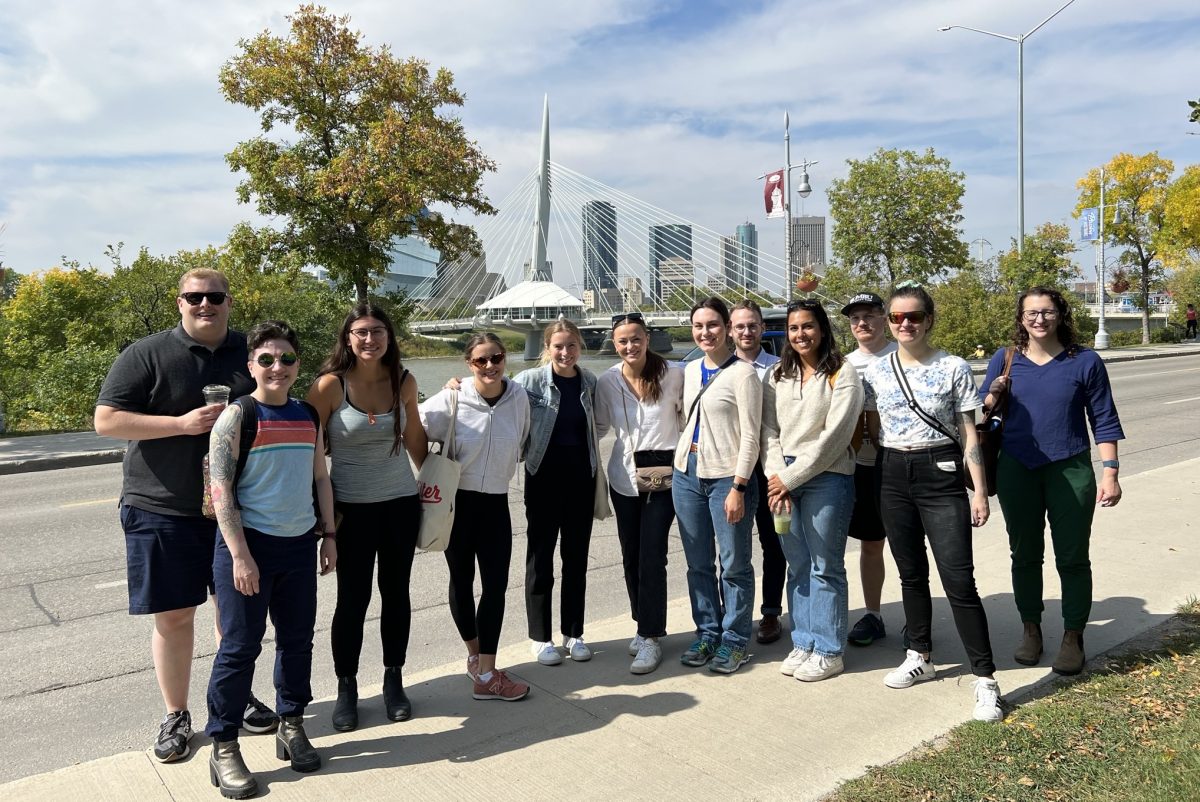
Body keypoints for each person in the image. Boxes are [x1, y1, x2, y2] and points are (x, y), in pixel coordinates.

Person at [94, 267, 277, 764]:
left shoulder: (252, 352)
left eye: (214, 296)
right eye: (194, 297)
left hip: (235, 512)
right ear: (180, 302)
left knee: (234, 618)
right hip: (161, 507)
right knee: (175, 618)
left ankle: (232, 700)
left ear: (229, 301)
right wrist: (180, 424)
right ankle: (176, 713)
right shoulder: (147, 353)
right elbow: (106, 420)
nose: (205, 304)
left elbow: (289, 393)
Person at [205, 320, 337, 798]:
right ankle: (224, 746)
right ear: (251, 366)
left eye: (285, 359)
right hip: (249, 547)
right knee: (240, 647)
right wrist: (239, 556)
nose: (276, 367)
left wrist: (329, 533)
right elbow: (220, 492)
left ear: (297, 365)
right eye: (266, 359)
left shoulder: (307, 414)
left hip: (300, 544)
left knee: (298, 641)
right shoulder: (237, 416)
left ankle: (292, 723)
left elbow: (320, 477)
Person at [862, 283, 1004, 722]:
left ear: (929, 320)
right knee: (910, 574)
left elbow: (969, 433)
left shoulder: (954, 367)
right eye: (898, 317)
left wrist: (978, 491)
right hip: (891, 472)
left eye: (915, 317)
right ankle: (919, 653)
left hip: (940, 473)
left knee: (958, 580)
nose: (906, 324)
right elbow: (870, 426)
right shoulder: (877, 371)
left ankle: (985, 679)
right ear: (889, 322)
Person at [982, 287, 1124, 676]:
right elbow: (981, 414)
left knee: (1073, 557)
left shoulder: (1085, 361)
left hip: (1070, 468)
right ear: (1021, 317)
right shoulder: (1005, 359)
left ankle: (1073, 636)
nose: (1039, 319)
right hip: (1016, 468)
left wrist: (1109, 471)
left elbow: (1104, 419)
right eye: (1031, 313)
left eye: (1046, 312)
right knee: (1024, 554)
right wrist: (991, 397)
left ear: (1061, 315)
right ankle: (1031, 629)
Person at [307, 303, 427, 731]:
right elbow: (309, 454)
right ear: (347, 338)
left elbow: (417, 443)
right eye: (360, 332)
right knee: (352, 602)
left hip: (399, 506)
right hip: (350, 512)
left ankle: (394, 680)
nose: (370, 339)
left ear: (389, 337)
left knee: (396, 596)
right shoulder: (329, 387)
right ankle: (347, 687)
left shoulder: (404, 381)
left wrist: (442, 492)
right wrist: (322, 523)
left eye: (378, 331)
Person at [420, 334, 531, 701]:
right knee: (461, 580)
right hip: (458, 502)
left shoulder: (518, 398)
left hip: (497, 502)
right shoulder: (452, 398)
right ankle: (476, 658)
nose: (489, 366)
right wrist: (425, 466)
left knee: (496, 586)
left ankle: (486, 671)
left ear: (505, 359)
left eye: (496, 358)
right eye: (480, 360)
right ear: (469, 364)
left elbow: (523, 442)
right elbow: (414, 425)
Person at [761, 299, 862, 682]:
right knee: (798, 563)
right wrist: (777, 477)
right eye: (793, 328)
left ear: (821, 328)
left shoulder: (842, 373)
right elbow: (767, 431)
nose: (800, 334)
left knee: (825, 567)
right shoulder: (777, 375)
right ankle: (803, 640)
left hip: (827, 479)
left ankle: (830, 649)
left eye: (807, 326)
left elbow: (834, 439)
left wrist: (790, 478)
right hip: (783, 482)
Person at [673, 297, 762, 674]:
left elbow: (751, 437)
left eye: (712, 325)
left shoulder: (744, 374)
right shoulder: (690, 370)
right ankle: (707, 631)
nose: (705, 332)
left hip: (728, 475)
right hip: (686, 472)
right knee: (698, 563)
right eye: (698, 326)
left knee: (734, 564)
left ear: (726, 327)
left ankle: (735, 639)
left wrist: (739, 486)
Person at [594, 313, 685, 674]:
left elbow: (691, 413)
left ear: (647, 338)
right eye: (622, 341)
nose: (630, 346)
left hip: (665, 478)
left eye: (636, 338)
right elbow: (598, 425)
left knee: (652, 554)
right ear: (614, 345)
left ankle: (651, 635)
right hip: (625, 478)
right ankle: (641, 622)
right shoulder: (607, 381)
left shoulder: (674, 374)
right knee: (631, 555)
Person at [513, 321, 601, 666]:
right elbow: (491, 393)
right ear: (546, 348)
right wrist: (456, 385)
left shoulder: (589, 381)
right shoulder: (528, 382)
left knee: (576, 559)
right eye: (558, 347)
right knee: (540, 560)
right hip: (543, 477)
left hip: (581, 478)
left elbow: (600, 423)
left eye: (572, 346)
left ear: (580, 347)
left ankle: (574, 633)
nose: (565, 353)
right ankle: (540, 637)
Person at [839, 293, 897, 647]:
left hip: (897, 461)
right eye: (855, 318)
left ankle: (918, 617)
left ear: (884, 318)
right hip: (858, 465)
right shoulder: (843, 364)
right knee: (871, 543)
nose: (862, 323)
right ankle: (873, 614)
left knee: (909, 544)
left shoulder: (901, 355)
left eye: (870, 316)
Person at [729, 299, 785, 645]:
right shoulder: (719, 368)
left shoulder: (780, 368)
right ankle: (733, 615)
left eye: (752, 325)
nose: (746, 331)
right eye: (740, 326)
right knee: (732, 549)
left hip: (769, 471)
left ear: (762, 328)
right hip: (730, 470)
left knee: (774, 543)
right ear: (730, 330)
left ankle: (770, 614)